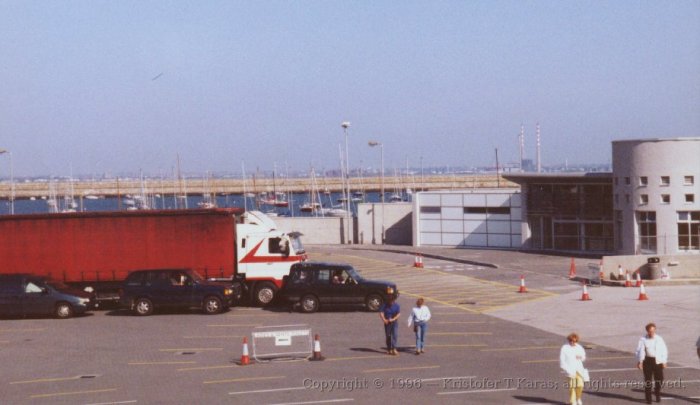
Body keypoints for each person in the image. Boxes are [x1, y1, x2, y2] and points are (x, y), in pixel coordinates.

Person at [636, 323, 668, 404]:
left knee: (660, 379)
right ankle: (648, 399)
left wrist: (664, 361)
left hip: (657, 361)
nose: (652, 333)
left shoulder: (659, 339)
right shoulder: (643, 339)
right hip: (647, 361)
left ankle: (657, 392)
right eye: (650, 331)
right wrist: (640, 361)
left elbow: (664, 350)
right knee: (648, 381)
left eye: (653, 331)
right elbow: (640, 351)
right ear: (647, 331)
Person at [560, 332, 586, 405]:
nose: (572, 342)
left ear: (576, 341)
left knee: (580, 385)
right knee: (572, 387)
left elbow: (584, 357)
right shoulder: (564, 348)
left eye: (574, 341)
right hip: (570, 370)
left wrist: (581, 357)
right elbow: (562, 360)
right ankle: (573, 401)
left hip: (579, 369)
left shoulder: (579, 347)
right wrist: (567, 369)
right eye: (570, 341)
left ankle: (578, 398)